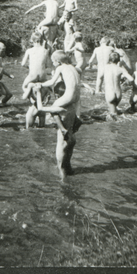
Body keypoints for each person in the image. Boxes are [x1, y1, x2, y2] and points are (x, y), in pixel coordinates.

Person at [32, 51, 82, 181]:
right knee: (62, 115)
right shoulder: (74, 68)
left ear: (58, 62)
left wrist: (40, 86)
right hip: (75, 98)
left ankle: (61, 171)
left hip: (67, 97)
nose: (53, 64)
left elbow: (51, 82)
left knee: (54, 110)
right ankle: (68, 167)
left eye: (53, 62)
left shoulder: (60, 67)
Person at [103, 52, 135, 118]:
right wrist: (126, 83)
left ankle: (114, 127)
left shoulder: (105, 67)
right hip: (118, 94)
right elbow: (131, 79)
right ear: (118, 60)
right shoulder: (121, 69)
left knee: (113, 115)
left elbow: (100, 76)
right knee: (115, 110)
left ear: (109, 59)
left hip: (110, 93)